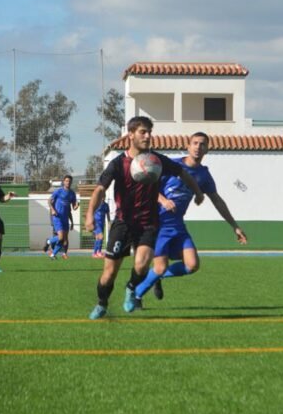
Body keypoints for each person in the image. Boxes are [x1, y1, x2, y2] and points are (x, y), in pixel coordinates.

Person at [84, 116, 204, 320]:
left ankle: (131, 288)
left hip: (148, 223)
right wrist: (89, 215)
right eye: (143, 132)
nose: (148, 136)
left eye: (150, 131)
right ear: (130, 135)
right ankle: (102, 303)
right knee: (109, 273)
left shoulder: (156, 160)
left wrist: (198, 192)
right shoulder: (118, 163)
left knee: (142, 263)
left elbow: (182, 173)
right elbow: (99, 190)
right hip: (122, 223)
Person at [133, 132, 247, 306]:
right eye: (195, 143)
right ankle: (138, 293)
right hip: (158, 224)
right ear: (188, 146)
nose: (198, 147)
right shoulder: (172, 166)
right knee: (160, 267)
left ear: (207, 149)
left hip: (178, 225)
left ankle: (156, 276)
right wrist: (163, 200)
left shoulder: (204, 175)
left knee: (192, 265)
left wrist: (235, 226)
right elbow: (147, 187)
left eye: (202, 144)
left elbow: (217, 200)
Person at [45, 175, 79, 260]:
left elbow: (73, 208)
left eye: (70, 181)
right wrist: (52, 210)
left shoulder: (72, 193)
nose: (68, 182)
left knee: (64, 238)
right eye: (67, 181)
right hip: (57, 217)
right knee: (60, 237)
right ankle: (48, 241)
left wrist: (77, 207)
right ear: (64, 182)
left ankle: (53, 255)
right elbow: (49, 201)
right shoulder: (58, 191)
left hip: (65, 218)